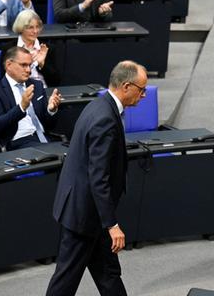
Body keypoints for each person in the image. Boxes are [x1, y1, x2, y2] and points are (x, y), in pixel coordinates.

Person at [46, 60, 148, 296]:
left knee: (108, 274)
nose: (143, 95)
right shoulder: (105, 118)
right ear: (126, 86)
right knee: (65, 280)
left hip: (93, 213)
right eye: (141, 89)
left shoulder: (99, 105)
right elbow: (98, 176)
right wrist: (112, 224)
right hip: (84, 214)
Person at [0, 46, 61, 150]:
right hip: (17, 141)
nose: (28, 70)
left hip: (44, 138)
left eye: (29, 65)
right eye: (23, 65)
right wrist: (21, 107)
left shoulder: (37, 85)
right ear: (9, 65)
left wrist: (51, 110)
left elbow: (49, 126)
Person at [2, 9, 60, 87]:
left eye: (37, 27)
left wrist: (42, 65)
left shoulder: (46, 48)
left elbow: (56, 81)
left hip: (43, 89)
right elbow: (4, 79)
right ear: (21, 28)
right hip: (18, 89)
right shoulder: (9, 49)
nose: (35, 31)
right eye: (30, 28)